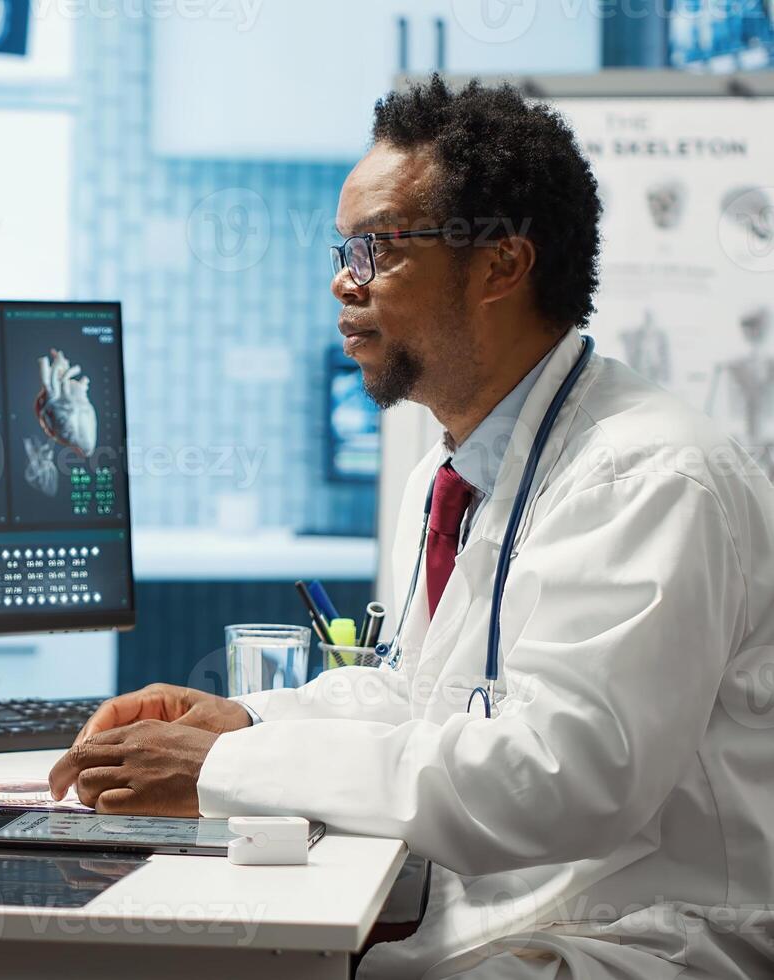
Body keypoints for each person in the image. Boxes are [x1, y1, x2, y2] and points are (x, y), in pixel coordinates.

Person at [50, 77, 774, 979]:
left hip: (651, 935)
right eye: (341, 246)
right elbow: (429, 698)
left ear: (501, 266)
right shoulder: (454, 470)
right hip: (519, 907)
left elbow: (561, 778)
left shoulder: (649, 477)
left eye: (375, 248)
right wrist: (242, 719)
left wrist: (226, 768)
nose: (339, 279)